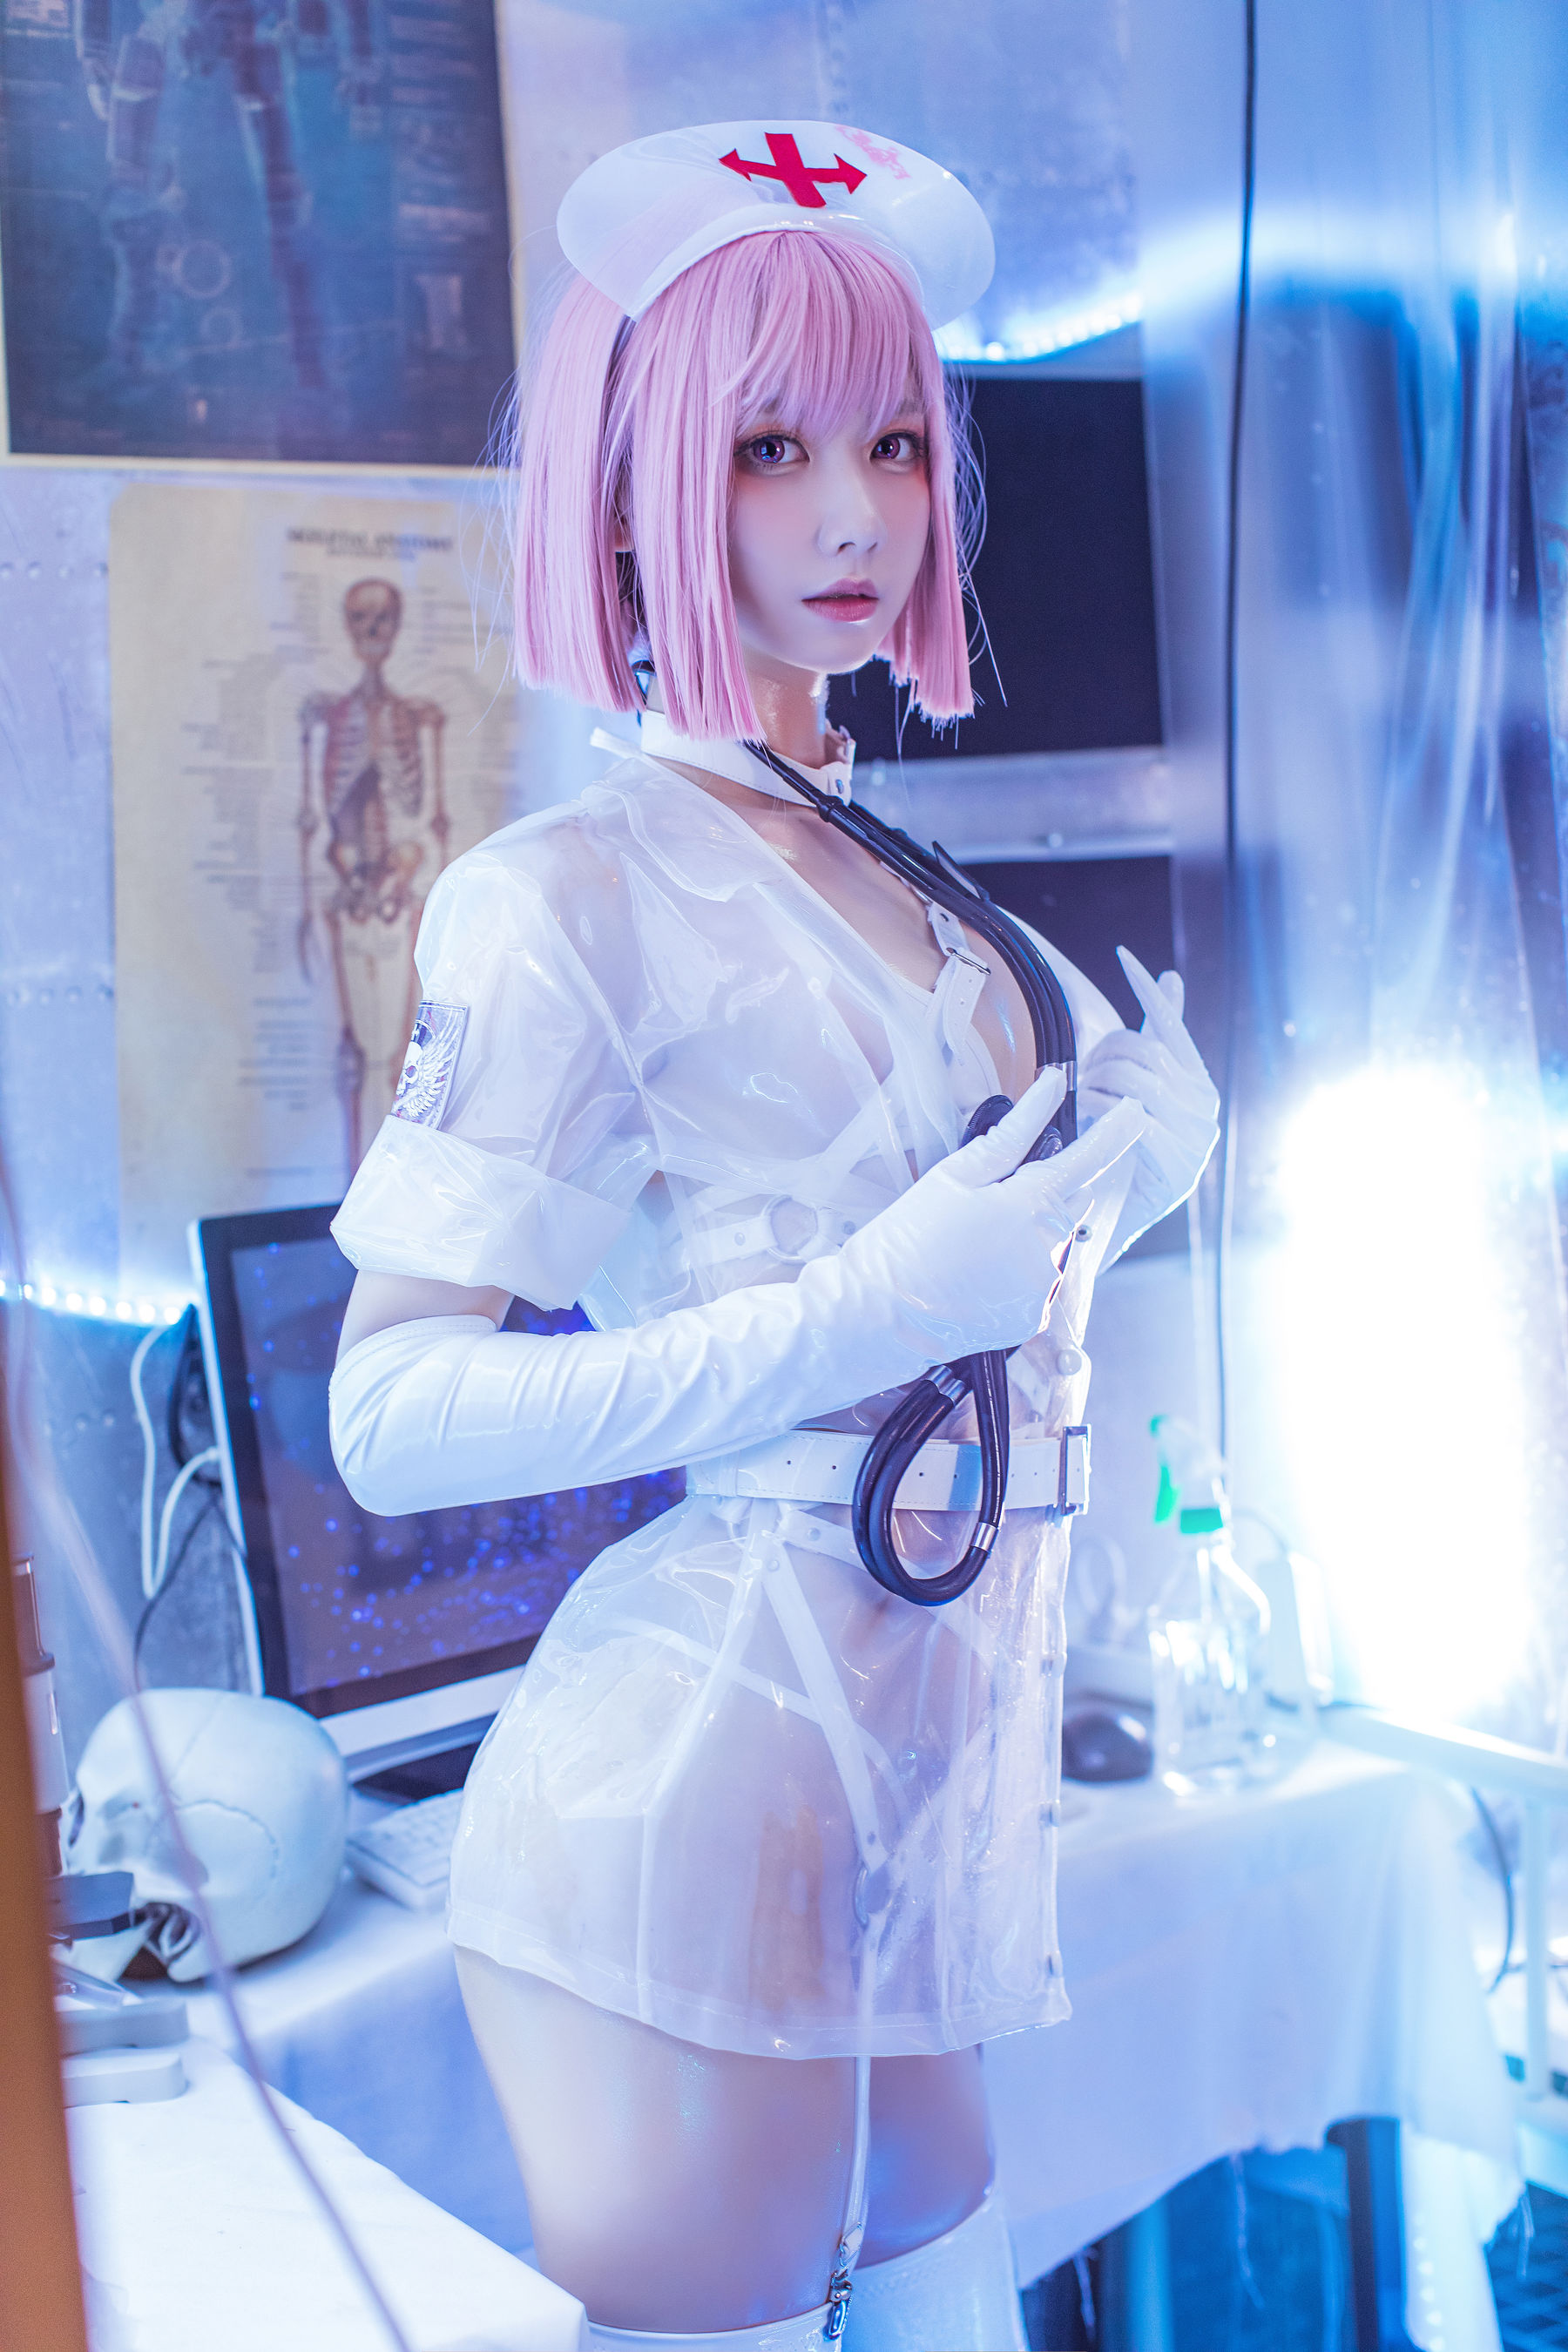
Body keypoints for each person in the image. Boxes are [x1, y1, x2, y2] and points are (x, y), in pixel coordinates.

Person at [328, 121, 1219, 2352]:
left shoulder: (899, 873)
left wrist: (1127, 1173)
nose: (854, 517)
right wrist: (852, 1312)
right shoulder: (565, 897)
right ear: (641, 485)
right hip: (696, 1798)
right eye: (769, 450)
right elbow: (390, 1417)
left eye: (895, 445)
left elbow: (968, 1303)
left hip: (925, 1803)